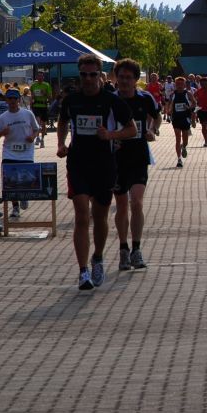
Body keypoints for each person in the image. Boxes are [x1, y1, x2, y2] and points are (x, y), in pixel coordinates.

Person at [57, 53, 136, 291]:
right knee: (82, 215)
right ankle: (83, 271)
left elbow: (131, 130)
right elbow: (62, 121)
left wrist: (110, 135)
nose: (88, 79)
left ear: (100, 76)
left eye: (92, 75)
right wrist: (61, 144)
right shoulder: (72, 99)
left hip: (104, 165)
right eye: (83, 75)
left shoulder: (112, 101)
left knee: (100, 216)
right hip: (78, 163)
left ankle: (98, 257)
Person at [112, 58, 160, 271]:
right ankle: (123, 248)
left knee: (137, 202)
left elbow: (156, 117)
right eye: (121, 77)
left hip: (139, 156)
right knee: (122, 205)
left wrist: (152, 130)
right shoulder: (110, 100)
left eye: (128, 78)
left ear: (135, 80)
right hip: (117, 159)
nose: (124, 81)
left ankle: (136, 248)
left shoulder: (145, 98)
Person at [0, 88, 40, 219]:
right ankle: (15, 207)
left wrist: (33, 137)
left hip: (26, 152)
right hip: (9, 153)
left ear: (19, 100)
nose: (12, 101)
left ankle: (24, 196)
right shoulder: (2, 118)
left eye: (15, 99)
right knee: (10, 181)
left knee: (27, 178)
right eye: (10, 99)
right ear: (6, 100)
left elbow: (36, 129)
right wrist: (3, 132)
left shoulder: (27, 114)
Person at [167, 76, 195, 168]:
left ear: (184, 85)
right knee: (178, 138)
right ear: (175, 85)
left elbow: (194, 103)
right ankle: (179, 159)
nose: (179, 86)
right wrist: (169, 111)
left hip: (185, 118)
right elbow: (170, 104)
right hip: (176, 119)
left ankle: (184, 147)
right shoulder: (173, 94)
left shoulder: (188, 94)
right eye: (177, 84)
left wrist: (189, 107)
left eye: (181, 84)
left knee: (185, 140)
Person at [30, 70, 53, 148]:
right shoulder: (33, 86)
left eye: (41, 76)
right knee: (37, 122)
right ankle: (37, 137)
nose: (40, 77)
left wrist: (45, 93)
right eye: (38, 76)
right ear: (36, 77)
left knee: (43, 125)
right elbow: (32, 96)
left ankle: (42, 139)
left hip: (44, 106)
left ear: (43, 77)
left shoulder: (46, 85)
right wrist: (30, 104)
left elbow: (50, 98)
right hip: (36, 106)